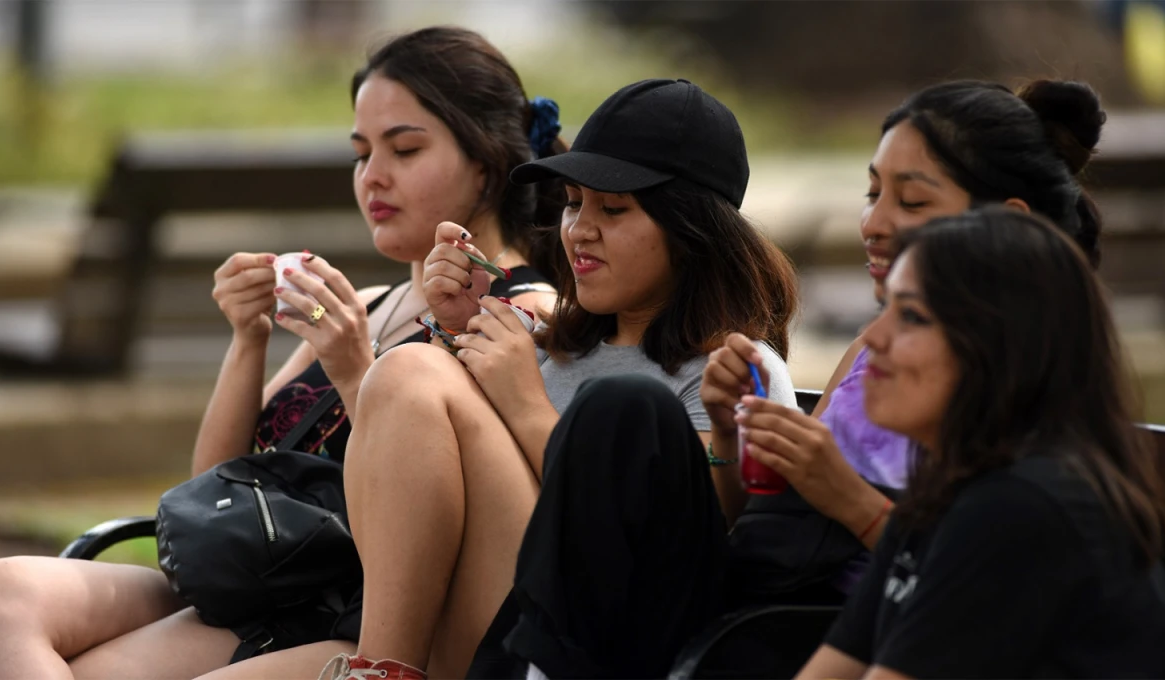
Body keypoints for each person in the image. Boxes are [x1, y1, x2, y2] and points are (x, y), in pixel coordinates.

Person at [471, 78, 1118, 679]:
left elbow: (959, 585)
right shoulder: (876, 344)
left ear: (1011, 220)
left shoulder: (1031, 393)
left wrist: (842, 494)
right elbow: (765, 535)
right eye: (872, 194)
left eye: (912, 200)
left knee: (623, 407)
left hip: (803, 629)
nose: (872, 223)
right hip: (768, 617)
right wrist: (730, 435)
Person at [0, 26, 565, 680]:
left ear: (485, 161)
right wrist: (248, 338)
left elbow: (475, 533)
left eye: (404, 148)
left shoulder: (524, 316)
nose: (373, 176)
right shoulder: (373, 303)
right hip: (264, 578)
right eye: (361, 153)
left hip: (354, 609)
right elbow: (215, 491)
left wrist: (351, 372)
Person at [315, 78, 799, 680]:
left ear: (693, 229)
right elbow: (407, 498)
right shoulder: (551, 342)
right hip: (470, 630)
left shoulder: (731, 371)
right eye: (573, 202)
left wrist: (523, 405)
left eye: (613, 209)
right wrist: (459, 336)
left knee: (414, 370)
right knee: (411, 368)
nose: (579, 231)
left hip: (592, 647)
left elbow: (673, 548)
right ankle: (382, 669)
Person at [796, 208, 1165, 679]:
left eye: (911, 315)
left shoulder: (1020, 505)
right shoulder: (945, 491)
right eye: (885, 308)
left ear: (999, 347)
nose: (873, 338)